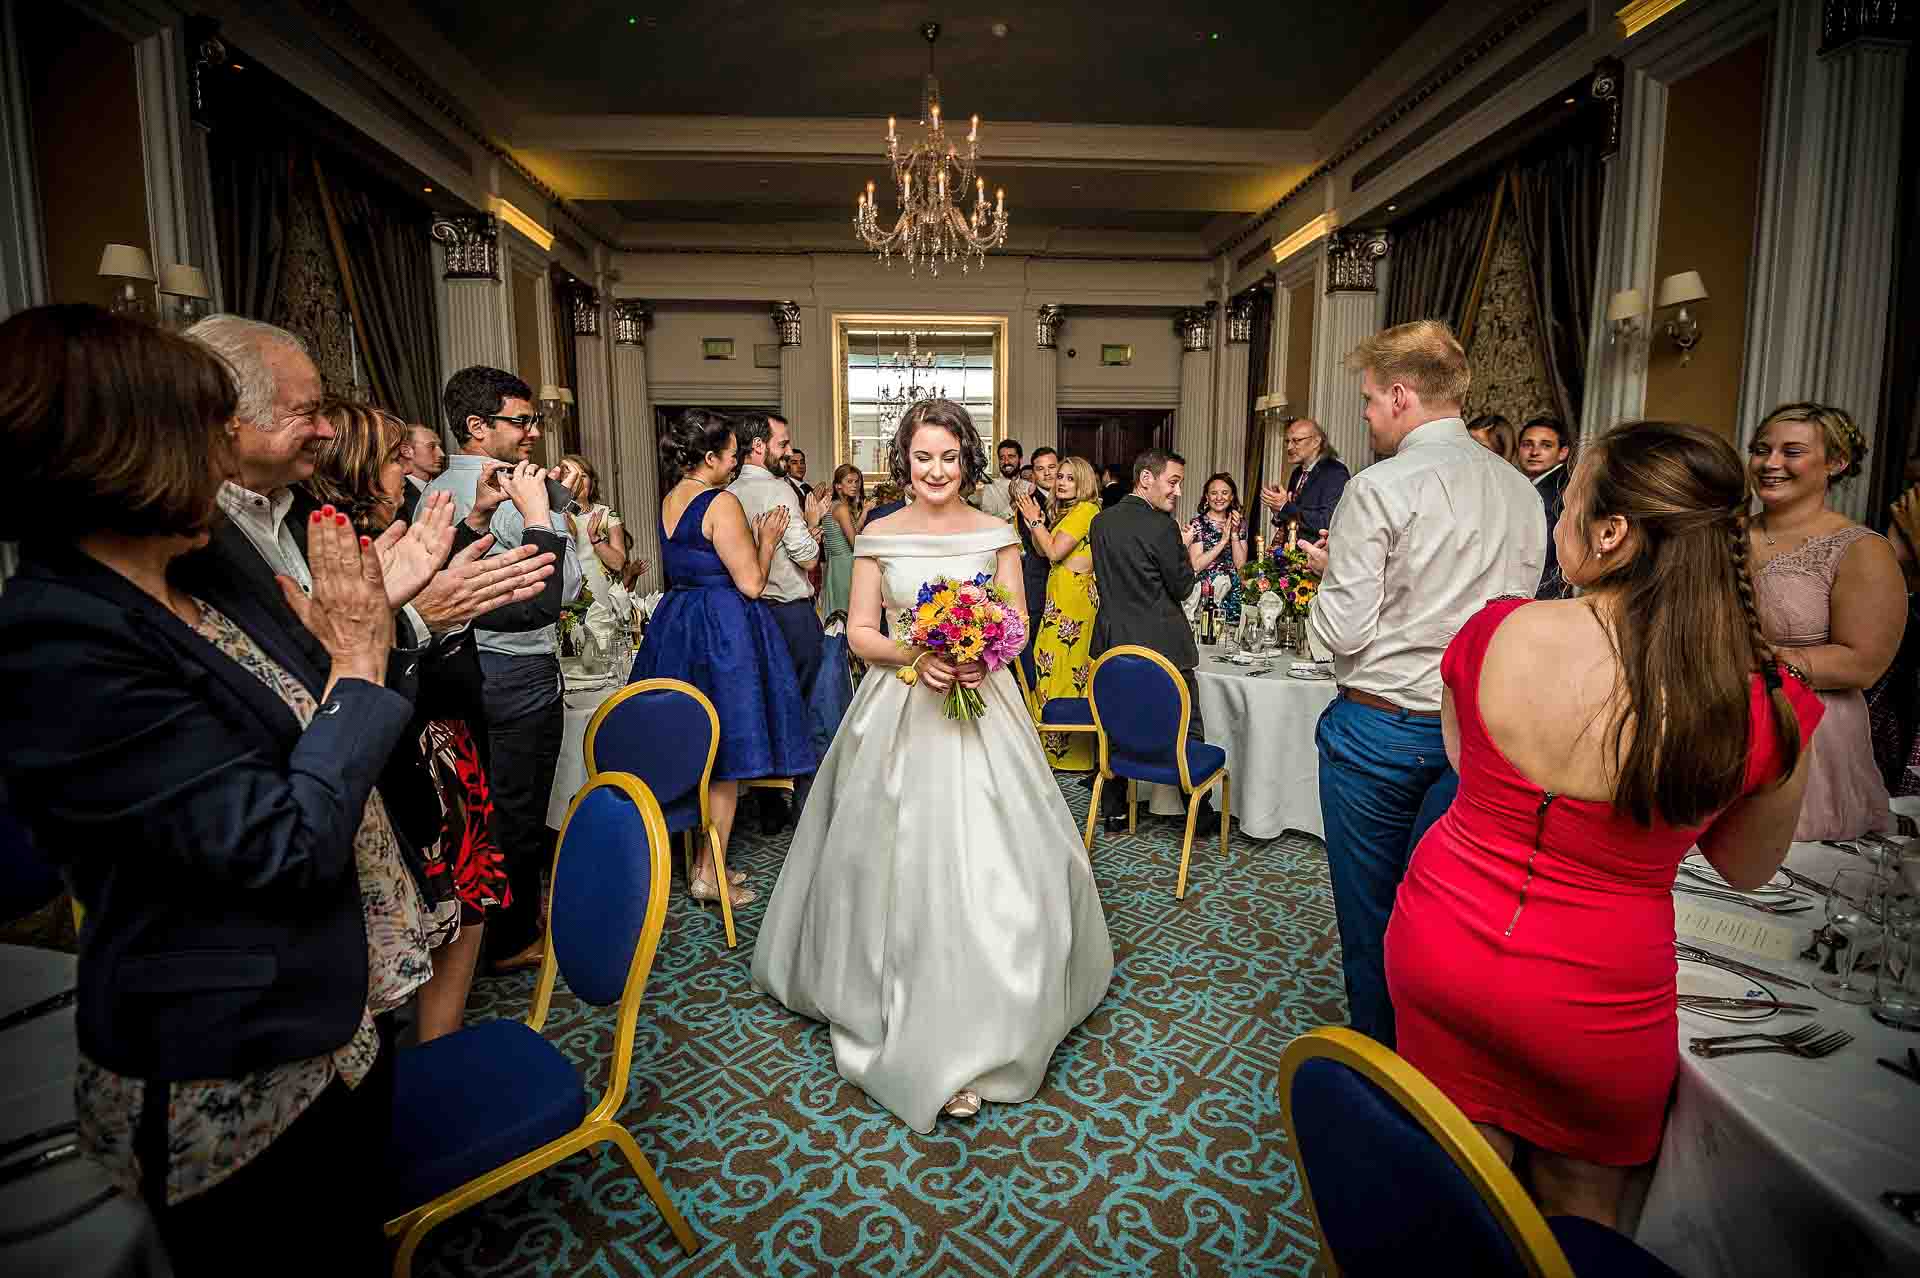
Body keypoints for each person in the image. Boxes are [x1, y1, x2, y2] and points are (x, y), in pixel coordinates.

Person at [0, 304, 430, 1270]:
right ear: (123, 447)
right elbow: (276, 843)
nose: (223, 452)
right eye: (202, 428)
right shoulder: (58, 640)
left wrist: (367, 640)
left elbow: (315, 702)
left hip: (334, 1011)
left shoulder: (206, 565)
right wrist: (360, 661)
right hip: (233, 1055)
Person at [1386, 420, 1823, 1227]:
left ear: (1612, 533)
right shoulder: (1761, 701)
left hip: (1440, 942)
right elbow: (1747, 868)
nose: (1557, 525)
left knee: (1453, 1197)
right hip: (1598, 997)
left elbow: (1462, 762)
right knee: (1582, 1218)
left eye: (1570, 506)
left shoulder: (1496, 632)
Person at [752, 399, 1113, 1130]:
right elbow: (858, 634)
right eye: (923, 458)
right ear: (904, 462)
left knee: (998, 862)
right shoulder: (880, 534)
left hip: (988, 707)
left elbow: (1016, 622)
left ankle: (998, 1013)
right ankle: (899, 1008)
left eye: (948, 457)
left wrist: (985, 655)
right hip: (901, 709)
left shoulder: (998, 531)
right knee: (898, 862)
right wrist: (921, 654)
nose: (936, 471)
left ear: (967, 459)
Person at [1300, 320, 1545, 1047]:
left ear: (1402, 395)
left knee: (1372, 914)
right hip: (1482, 731)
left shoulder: (1381, 487)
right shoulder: (1522, 492)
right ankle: (1443, 1063)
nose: (1369, 414)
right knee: (1449, 912)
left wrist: (1326, 601)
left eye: (1372, 400)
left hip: (1380, 727)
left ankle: (1382, 1066)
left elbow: (1341, 633)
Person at [304, 401, 557, 1042]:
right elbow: (524, 604)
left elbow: (447, 584)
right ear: (358, 469)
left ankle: (437, 1045)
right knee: (431, 911)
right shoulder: (340, 555)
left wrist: (472, 522)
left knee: (460, 904)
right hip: (412, 736)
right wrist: (537, 521)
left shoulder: (406, 527)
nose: (414, 471)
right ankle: (428, 1051)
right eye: (395, 459)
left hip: (446, 730)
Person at [423, 366, 583, 972]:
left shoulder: (437, 488)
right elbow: (559, 592)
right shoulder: (515, 500)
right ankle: (511, 937)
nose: (533, 433)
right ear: (476, 426)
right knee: (518, 807)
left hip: (464, 667)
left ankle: (488, 927)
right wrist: (550, 516)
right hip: (516, 670)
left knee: (479, 804)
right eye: (521, 421)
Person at [631, 409, 818, 901]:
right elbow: (753, 584)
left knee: (694, 742)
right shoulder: (721, 502)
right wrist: (768, 541)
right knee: (726, 752)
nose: (736, 464)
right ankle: (708, 873)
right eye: (732, 454)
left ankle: (703, 859)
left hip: (678, 623)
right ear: (710, 457)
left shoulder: (671, 498)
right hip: (723, 630)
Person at [1747, 402, 1905, 838]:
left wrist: (1752, 661)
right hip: (1718, 723)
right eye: (1762, 449)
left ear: (1835, 462)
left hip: (1807, 736)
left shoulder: (1859, 549)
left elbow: (1863, 662)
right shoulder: (1722, 535)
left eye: (1792, 452)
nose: (1771, 463)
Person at [1088, 448, 1219, 835]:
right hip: (1163, 644)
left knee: (1115, 724)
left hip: (1114, 643)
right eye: (1173, 481)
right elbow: (1181, 585)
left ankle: (1113, 808)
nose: (1177, 491)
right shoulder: (1162, 526)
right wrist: (1180, 545)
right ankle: (1198, 810)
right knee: (1186, 724)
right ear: (1146, 479)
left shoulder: (1100, 523)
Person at [1017, 455, 1101, 771]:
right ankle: (1051, 748)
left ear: (1083, 482)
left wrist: (1036, 521)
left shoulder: (1086, 510)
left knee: (1065, 666)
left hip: (1074, 599)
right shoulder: (1068, 512)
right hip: (1061, 596)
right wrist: (1035, 520)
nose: (1061, 482)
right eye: (1060, 477)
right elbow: (1043, 551)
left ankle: (1070, 756)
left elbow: (1053, 551)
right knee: (1050, 664)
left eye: (1068, 477)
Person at [556, 452, 640, 653]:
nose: (577, 481)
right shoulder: (553, 514)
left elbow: (619, 563)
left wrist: (596, 539)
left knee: (604, 649)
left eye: (582, 475)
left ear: (592, 481)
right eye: (571, 475)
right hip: (567, 595)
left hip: (601, 594)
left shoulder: (606, 514)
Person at [1260, 418, 1349, 545]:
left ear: (1316, 442)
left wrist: (1285, 506)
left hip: (1316, 556)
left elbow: (1328, 521)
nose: (1289, 447)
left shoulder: (1335, 472)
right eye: (1288, 441)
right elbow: (1294, 517)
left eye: (1296, 441)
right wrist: (1278, 511)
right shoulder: (1297, 473)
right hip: (1292, 554)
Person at [1016, 447, 1060, 683]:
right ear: (1033, 473)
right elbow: (1040, 548)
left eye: (1052, 467)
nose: (1047, 474)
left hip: (1064, 582)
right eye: (1040, 469)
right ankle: (1033, 693)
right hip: (1038, 578)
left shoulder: (1068, 499)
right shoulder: (1029, 501)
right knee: (1033, 639)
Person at [1518, 417, 1574, 599]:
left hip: (1542, 591)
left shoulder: (1555, 490)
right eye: (1527, 444)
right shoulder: (1533, 486)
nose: (1535, 452)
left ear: (1563, 452)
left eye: (1546, 445)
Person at [1187, 472, 1250, 625]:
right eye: (1214, 493)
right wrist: (1222, 541)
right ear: (1207, 497)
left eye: (1224, 492)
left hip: (1233, 590)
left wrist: (1234, 534)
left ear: (1232, 496)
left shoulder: (1239, 523)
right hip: (1208, 592)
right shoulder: (1197, 524)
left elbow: (1241, 566)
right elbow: (1196, 564)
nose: (1219, 497)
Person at [820, 463, 865, 618]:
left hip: (836, 564)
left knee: (840, 615)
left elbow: (851, 531)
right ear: (838, 485)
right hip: (846, 564)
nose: (855, 486)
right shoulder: (841, 509)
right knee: (849, 613)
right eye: (849, 481)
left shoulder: (834, 505)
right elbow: (855, 543)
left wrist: (864, 511)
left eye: (857, 481)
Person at [400, 421, 445, 504]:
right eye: (431, 447)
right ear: (406, 451)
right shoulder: (397, 494)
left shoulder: (446, 488)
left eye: (439, 447)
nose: (442, 454)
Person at [977, 437, 1022, 520]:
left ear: (1020, 459)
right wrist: (1012, 505)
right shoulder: (990, 488)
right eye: (1002, 458)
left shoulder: (1030, 487)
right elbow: (988, 523)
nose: (1006, 462)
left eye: (1011, 457)